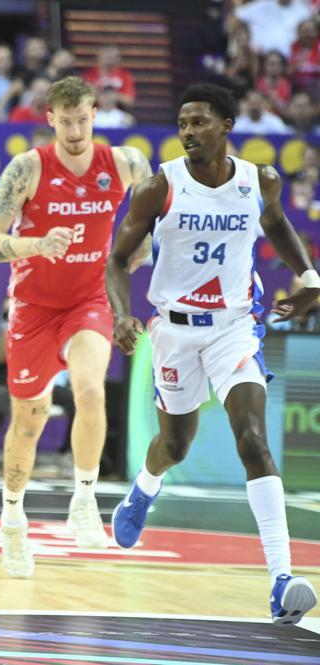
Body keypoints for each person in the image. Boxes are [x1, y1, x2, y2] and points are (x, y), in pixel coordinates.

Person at [106, 82, 318, 626]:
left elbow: (277, 226)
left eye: (199, 122)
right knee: (175, 446)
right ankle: (143, 491)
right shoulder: (158, 188)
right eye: (182, 123)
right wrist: (121, 315)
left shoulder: (259, 180)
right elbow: (118, 260)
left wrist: (310, 276)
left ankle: (281, 578)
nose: (187, 132)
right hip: (174, 332)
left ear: (226, 126)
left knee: (252, 439)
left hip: (233, 328)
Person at [0, 76, 153, 578]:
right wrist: (36, 244)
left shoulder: (125, 163)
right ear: (50, 118)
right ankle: (12, 520)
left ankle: (85, 500)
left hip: (89, 300)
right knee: (29, 419)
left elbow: (158, 207)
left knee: (90, 389)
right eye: (65, 121)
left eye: (83, 119)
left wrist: (141, 243)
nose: (75, 130)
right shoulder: (27, 169)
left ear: (96, 114)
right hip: (32, 308)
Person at [81, 44, 136, 109]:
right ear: (98, 58)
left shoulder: (125, 76)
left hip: (118, 113)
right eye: (107, 57)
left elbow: (129, 101)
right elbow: (82, 99)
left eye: (113, 57)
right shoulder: (89, 75)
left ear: (118, 59)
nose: (110, 61)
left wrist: (114, 96)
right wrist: (99, 96)